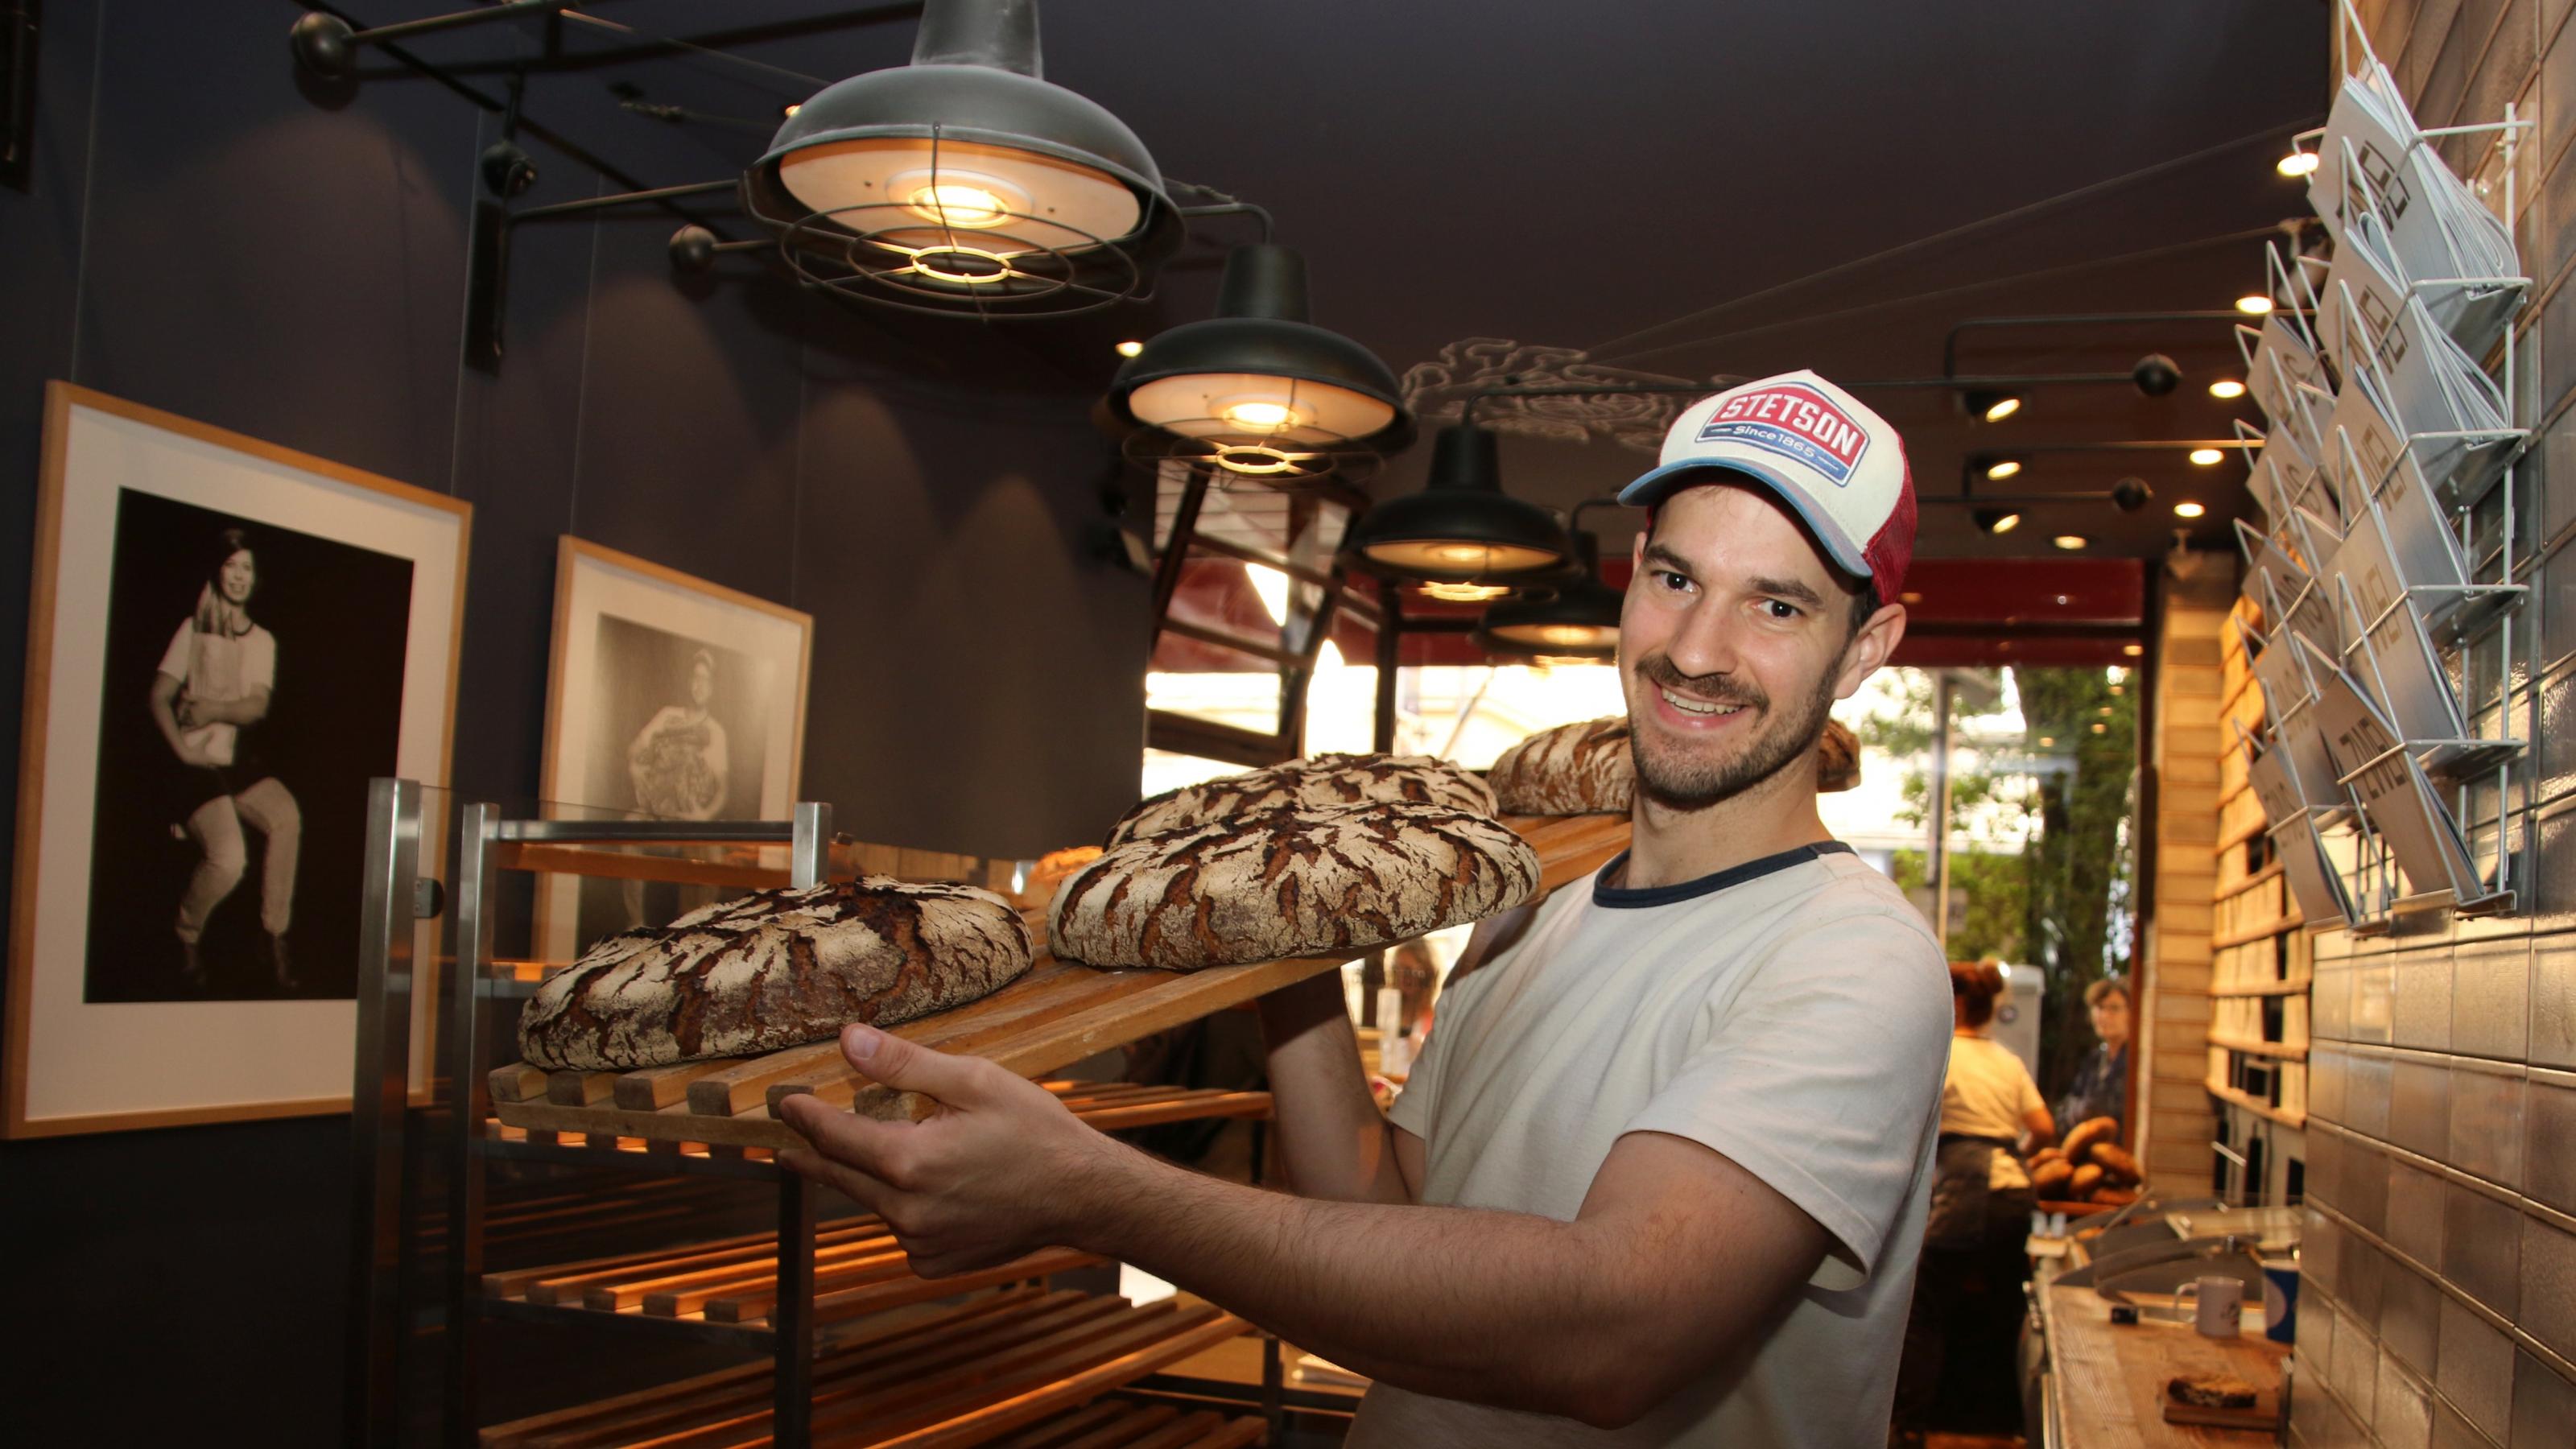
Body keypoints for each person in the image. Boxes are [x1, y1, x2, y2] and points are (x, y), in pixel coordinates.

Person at [776, 371, 1954, 1444]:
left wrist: (1095, 1195)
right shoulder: (1531, 908)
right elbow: (1374, 1202)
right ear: (1633, 568)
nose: (1698, 649)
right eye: (1677, 577)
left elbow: (1615, 1333)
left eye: (1778, 607)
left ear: (1868, 650)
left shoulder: (1852, 960)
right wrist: (1274, 939)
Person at [1892, 962, 2056, 1441]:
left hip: (1965, 1193)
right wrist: (2011, 1153)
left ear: (1958, 1003)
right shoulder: (2006, 1061)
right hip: (2013, 1195)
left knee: (1927, 1313)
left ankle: (1910, 1430)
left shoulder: (1944, 1054)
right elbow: (2044, 1129)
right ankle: (2005, 1426)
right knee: (2003, 1313)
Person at [149, 526, 299, 991]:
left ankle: (272, 938)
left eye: (247, 568)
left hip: (238, 769)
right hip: (197, 770)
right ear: (219, 571)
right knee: (230, 860)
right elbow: (160, 697)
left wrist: (212, 708)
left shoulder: (262, 641)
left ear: (256, 578)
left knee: (287, 818)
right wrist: (182, 751)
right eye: (231, 566)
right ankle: (184, 934)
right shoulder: (193, 629)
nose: (239, 576)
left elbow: (255, 705)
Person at [619, 647, 731, 927]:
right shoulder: (667, 716)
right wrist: (637, 771)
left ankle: (692, 932)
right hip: (655, 812)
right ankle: (635, 924)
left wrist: (703, 817)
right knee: (630, 827)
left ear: (714, 688)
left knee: (711, 854)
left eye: (706, 680)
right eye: (695, 677)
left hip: (688, 819)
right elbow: (635, 751)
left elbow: (722, 790)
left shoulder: (716, 732)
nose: (699, 685)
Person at [2057, 977, 2132, 1137]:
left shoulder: (2135, 1061)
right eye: (2099, 1007)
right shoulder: (2095, 1059)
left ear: (2131, 1013)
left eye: (2114, 1008)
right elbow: (2065, 1108)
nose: (2104, 1015)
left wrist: (2087, 1111)